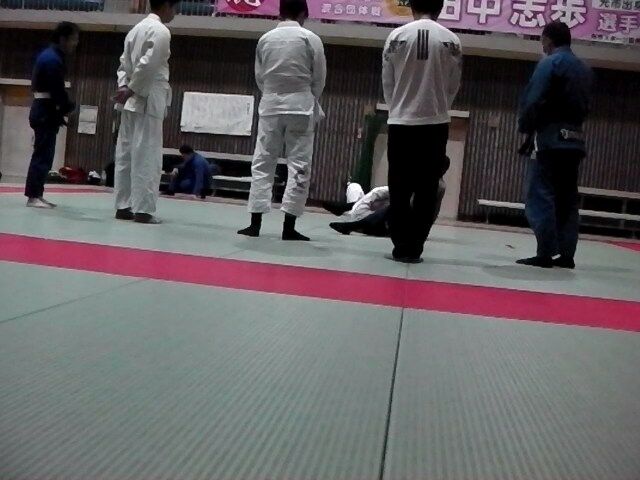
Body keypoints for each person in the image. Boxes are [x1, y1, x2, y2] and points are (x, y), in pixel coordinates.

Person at [238, 0, 326, 241]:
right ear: (303, 13)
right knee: (299, 164)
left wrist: (273, 94)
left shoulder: (265, 39)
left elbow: (260, 77)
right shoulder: (311, 38)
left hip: (271, 105)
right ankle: (289, 226)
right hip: (300, 106)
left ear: (280, 12)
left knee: (262, 162)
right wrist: (307, 96)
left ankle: (255, 223)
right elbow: (319, 78)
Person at [382, 0, 462, 263]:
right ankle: (415, 246)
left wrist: (397, 108)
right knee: (427, 189)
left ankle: (400, 245)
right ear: (440, 8)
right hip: (435, 123)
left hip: (401, 123)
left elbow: (388, 81)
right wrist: (440, 107)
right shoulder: (452, 41)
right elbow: (453, 85)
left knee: (399, 187)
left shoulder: (396, 37)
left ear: (412, 6)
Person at [517, 21, 591, 269]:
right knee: (567, 197)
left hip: (550, 138)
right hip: (575, 139)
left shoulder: (549, 63)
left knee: (542, 195)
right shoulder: (584, 68)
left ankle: (545, 252)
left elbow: (533, 99)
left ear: (547, 39)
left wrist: (525, 128)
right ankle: (567, 254)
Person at [112, 0, 177, 224]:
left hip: (131, 99)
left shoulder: (135, 29)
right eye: (175, 8)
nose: (174, 13)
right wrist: (131, 89)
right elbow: (148, 65)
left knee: (126, 154)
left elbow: (123, 64)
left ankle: (123, 206)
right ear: (166, 5)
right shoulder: (160, 31)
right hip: (147, 97)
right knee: (147, 156)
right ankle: (143, 210)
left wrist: (124, 86)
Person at [24, 22, 79, 209]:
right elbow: (57, 90)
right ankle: (33, 196)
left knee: (44, 155)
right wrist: (67, 106)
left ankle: (36, 194)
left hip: (45, 109)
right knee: (42, 156)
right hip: (45, 110)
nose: (75, 43)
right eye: (73, 39)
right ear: (63, 39)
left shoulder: (51, 56)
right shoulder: (52, 60)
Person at [328, 157, 449, 237]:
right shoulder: (432, 182)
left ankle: (351, 222)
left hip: (412, 227)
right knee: (387, 197)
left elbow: (414, 207)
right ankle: (349, 214)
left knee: (394, 204)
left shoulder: (436, 185)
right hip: (408, 223)